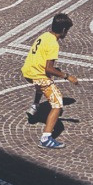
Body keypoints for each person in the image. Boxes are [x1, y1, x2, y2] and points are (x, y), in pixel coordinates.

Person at [21, 13, 78, 149]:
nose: (66, 33)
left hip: (28, 71)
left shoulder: (45, 36)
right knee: (57, 103)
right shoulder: (53, 44)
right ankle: (46, 139)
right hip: (38, 75)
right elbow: (49, 68)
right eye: (67, 31)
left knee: (47, 79)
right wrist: (67, 76)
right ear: (63, 30)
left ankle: (35, 106)